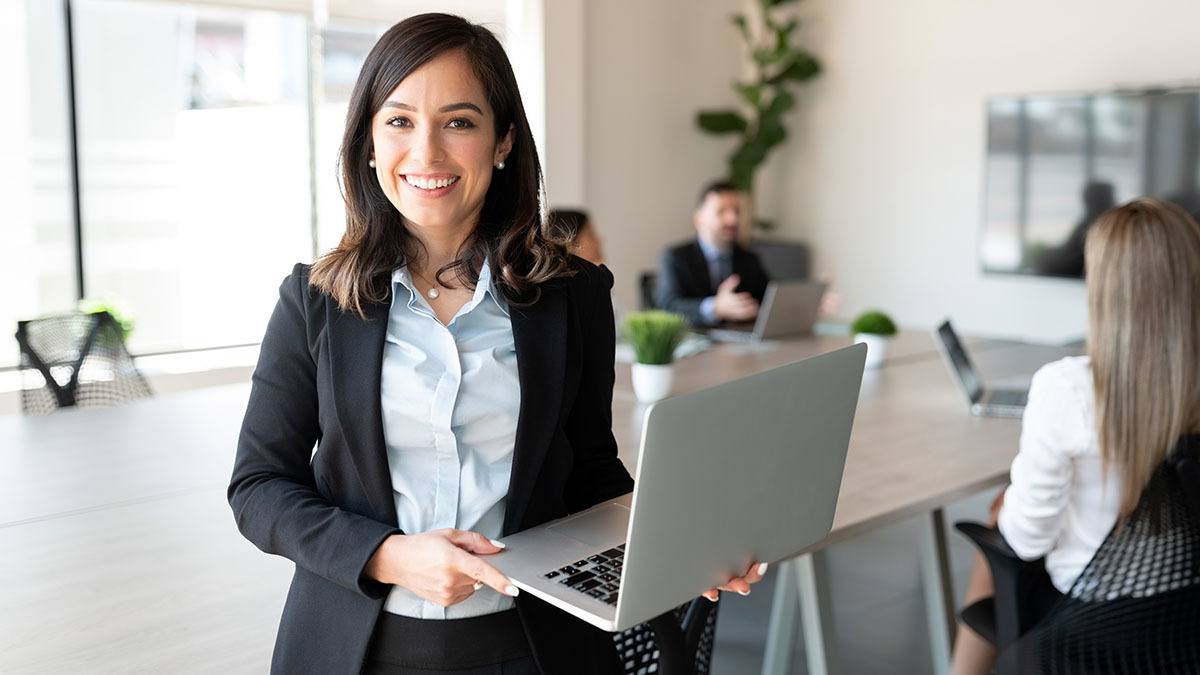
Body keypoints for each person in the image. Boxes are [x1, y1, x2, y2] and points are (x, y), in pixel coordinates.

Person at [228, 14, 763, 675]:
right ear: (368, 140)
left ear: (502, 139)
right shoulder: (314, 300)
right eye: (399, 121)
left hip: (533, 647)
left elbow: (591, 475)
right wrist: (389, 554)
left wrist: (676, 542)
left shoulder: (575, 297)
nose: (426, 153)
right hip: (355, 648)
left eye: (459, 122)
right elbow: (258, 487)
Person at [950, 197, 1200, 675]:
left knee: (1003, 521)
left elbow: (1027, 542)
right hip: (1184, 622)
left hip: (1085, 629)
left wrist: (1010, 509)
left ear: (1105, 288)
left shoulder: (1068, 387)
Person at [655, 180, 771, 327]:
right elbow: (667, 308)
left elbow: (770, 300)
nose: (733, 219)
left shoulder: (749, 259)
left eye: (737, 211)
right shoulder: (676, 257)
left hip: (740, 343)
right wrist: (715, 308)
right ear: (699, 219)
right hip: (695, 341)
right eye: (721, 211)